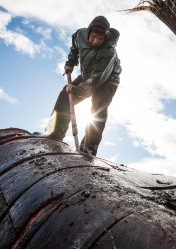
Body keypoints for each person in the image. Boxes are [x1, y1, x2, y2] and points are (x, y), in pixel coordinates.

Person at [46, 15, 121, 156]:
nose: (96, 41)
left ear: (105, 37)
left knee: (98, 108)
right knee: (65, 95)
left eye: (100, 39)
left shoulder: (109, 52)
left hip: (107, 79)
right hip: (88, 74)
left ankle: (89, 147)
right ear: (88, 32)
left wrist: (75, 90)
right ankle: (54, 133)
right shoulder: (80, 34)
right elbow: (75, 48)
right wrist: (71, 62)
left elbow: (95, 82)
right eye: (93, 37)